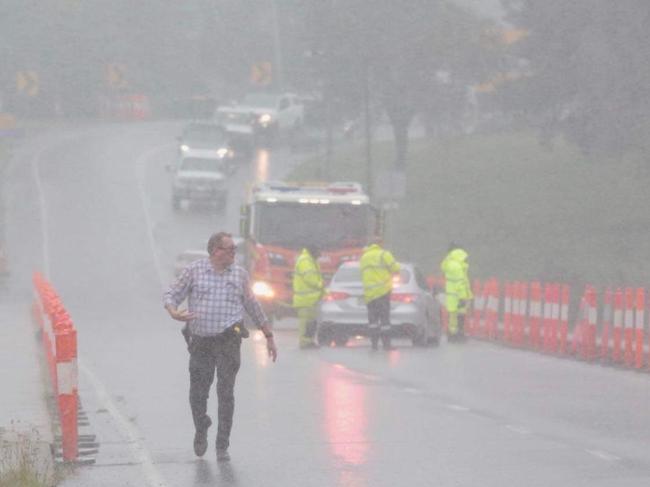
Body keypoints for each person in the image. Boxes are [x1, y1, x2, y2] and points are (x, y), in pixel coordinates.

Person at [163, 232, 277, 462]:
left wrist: (268, 334)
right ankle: (201, 425)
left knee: (225, 392)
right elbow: (172, 294)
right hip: (201, 341)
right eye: (229, 249)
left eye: (234, 249)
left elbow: (253, 305)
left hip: (228, 340)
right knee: (198, 392)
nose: (234, 253)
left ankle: (222, 444)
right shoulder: (194, 271)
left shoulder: (239, 275)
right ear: (215, 251)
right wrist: (173, 311)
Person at [360, 237, 400, 350]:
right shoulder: (384, 254)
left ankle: (374, 345)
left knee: (372, 321)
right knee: (385, 321)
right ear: (379, 244)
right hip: (382, 292)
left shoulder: (364, 257)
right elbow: (395, 268)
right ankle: (387, 345)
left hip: (369, 294)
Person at [292, 245, 324, 348]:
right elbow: (310, 278)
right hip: (305, 299)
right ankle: (304, 342)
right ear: (313, 251)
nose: (320, 255)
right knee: (306, 323)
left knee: (311, 322)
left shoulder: (310, 260)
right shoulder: (305, 261)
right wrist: (320, 285)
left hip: (311, 299)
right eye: (319, 251)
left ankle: (309, 341)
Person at [440, 243, 473, 342]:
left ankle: (453, 334)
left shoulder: (450, 263)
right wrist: (463, 297)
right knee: (459, 315)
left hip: (452, 295)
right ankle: (458, 334)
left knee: (453, 316)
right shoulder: (457, 266)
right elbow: (460, 283)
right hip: (458, 295)